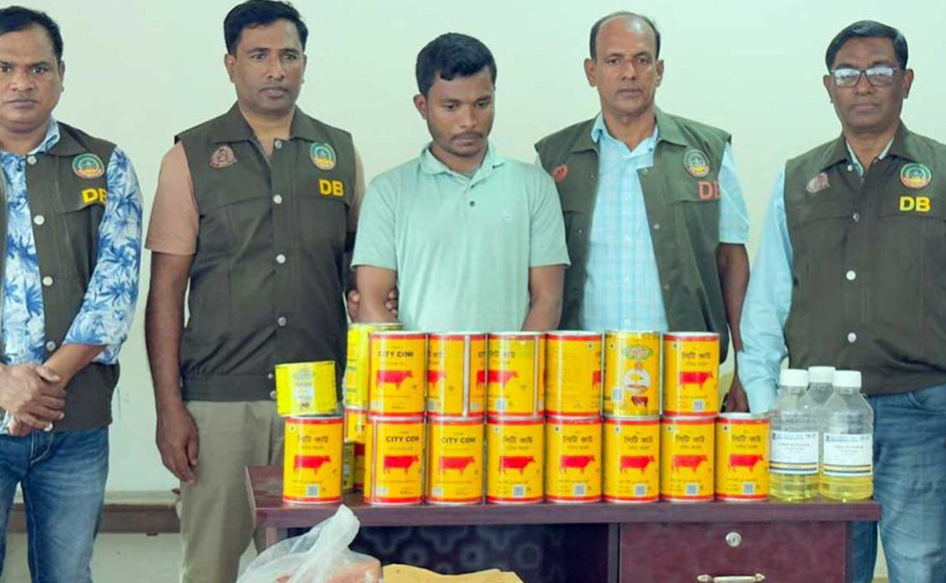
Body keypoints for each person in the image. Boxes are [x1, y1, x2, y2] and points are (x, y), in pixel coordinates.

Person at [143, 1, 364, 581]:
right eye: (259, 56)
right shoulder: (189, 156)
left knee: (317, 567)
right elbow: (165, 293)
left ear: (304, 63)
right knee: (211, 568)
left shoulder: (339, 153)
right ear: (230, 64)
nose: (275, 70)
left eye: (288, 56)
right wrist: (169, 408)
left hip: (318, 404)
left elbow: (360, 281)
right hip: (220, 405)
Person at [738, 20, 946, 583]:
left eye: (879, 70)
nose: (864, 84)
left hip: (921, 410)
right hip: (815, 415)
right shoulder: (797, 180)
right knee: (824, 567)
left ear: (906, 81)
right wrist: (767, 405)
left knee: (921, 565)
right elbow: (768, 300)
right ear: (829, 87)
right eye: (848, 73)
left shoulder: (941, 174)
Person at [0, 6, 142, 582]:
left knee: (67, 575)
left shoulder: (106, 165)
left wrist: (41, 387)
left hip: (73, 421)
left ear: (61, 75)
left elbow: (114, 290)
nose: (22, 82)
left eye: (38, 68)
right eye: (4, 68)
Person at [535, 12, 750, 408]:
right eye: (614, 60)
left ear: (659, 70)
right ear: (591, 72)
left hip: (686, 372)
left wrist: (745, 368)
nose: (629, 73)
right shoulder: (554, 159)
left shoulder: (709, 151)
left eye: (642, 59)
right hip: (580, 374)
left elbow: (732, 261)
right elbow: (536, 276)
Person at [353, 33, 569, 332]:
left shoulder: (535, 186)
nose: (469, 121)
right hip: (417, 363)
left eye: (482, 103)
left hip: (513, 362)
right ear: (422, 106)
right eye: (451, 107)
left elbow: (548, 300)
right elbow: (372, 302)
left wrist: (513, 362)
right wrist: (418, 362)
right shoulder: (388, 191)